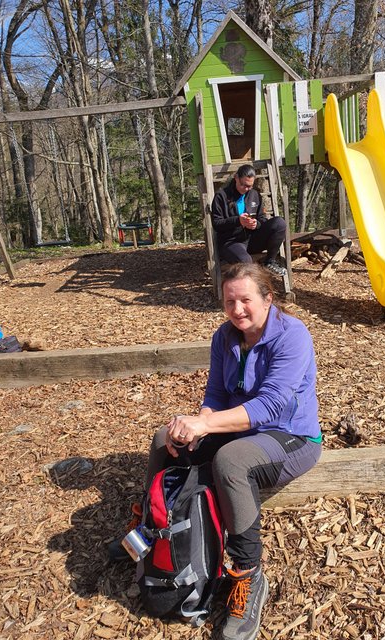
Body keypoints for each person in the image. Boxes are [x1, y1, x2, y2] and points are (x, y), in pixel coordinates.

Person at [135, 263, 322, 640]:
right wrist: (198, 424)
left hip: (290, 437)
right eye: (229, 301)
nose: (237, 309)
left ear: (268, 299)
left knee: (230, 461)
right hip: (238, 428)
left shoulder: (292, 336)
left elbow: (270, 406)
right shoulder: (224, 336)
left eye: (245, 300)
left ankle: (249, 576)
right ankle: (149, 529)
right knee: (164, 440)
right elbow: (216, 394)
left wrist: (206, 426)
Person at [211, 164, 288, 276]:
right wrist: (238, 221)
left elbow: (262, 219)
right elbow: (217, 224)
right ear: (236, 178)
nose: (246, 189)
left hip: (252, 238)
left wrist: (256, 224)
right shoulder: (221, 196)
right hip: (231, 242)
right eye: (243, 185)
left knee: (279, 223)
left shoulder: (254, 194)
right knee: (246, 262)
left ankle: (269, 261)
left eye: (249, 186)